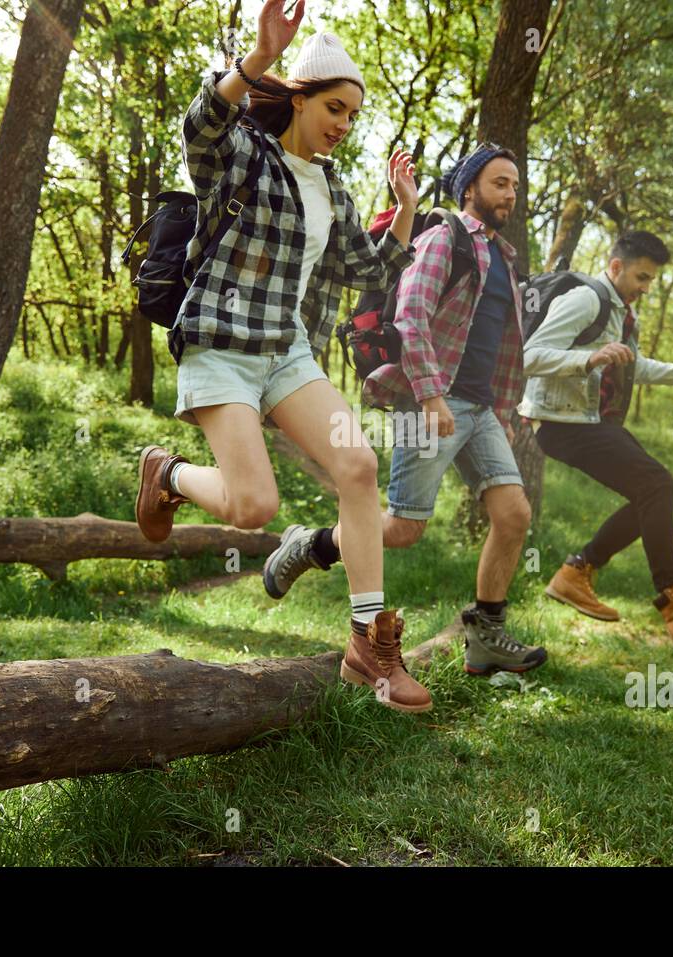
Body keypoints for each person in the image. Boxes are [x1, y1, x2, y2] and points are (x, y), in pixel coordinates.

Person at [134, 0, 432, 712]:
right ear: (299, 97)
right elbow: (198, 129)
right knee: (252, 505)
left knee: (358, 466)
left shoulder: (333, 188)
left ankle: (368, 644)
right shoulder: (244, 154)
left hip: (286, 351)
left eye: (353, 115)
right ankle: (166, 472)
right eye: (334, 106)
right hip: (221, 345)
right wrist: (258, 58)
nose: (342, 123)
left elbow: (374, 273)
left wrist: (407, 207)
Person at [263, 144, 546, 677]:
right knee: (404, 528)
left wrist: (504, 409)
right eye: (500, 183)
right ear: (470, 190)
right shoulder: (445, 237)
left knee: (514, 515)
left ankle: (485, 635)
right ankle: (309, 545)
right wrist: (433, 395)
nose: (511, 193)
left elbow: (505, 343)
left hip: (482, 409)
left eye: (514, 184)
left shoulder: (504, 258)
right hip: (427, 399)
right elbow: (411, 318)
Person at [519, 229, 673, 646]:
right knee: (656, 484)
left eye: (651, 281)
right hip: (560, 422)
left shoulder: (622, 313)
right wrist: (589, 358)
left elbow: (632, 365)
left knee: (653, 491)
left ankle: (577, 572)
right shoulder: (587, 299)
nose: (645, 288)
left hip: (588, 422)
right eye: (641, 278)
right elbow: (529, 356)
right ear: (617, 267)